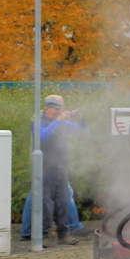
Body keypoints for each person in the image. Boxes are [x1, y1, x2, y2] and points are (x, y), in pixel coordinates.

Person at [31, 95, 91, 244]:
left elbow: (83, 133)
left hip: (61, 167)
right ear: (46, 109)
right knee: (45, 203)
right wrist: (58, 121)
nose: (60, 112)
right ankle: (42, 236)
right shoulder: (38, 122)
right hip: (44, 168)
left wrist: (80, 119)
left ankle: (64, 235)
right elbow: (43, 136)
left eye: (61, 109)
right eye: (56, 109)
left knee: (63, 202)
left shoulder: (63, 123)